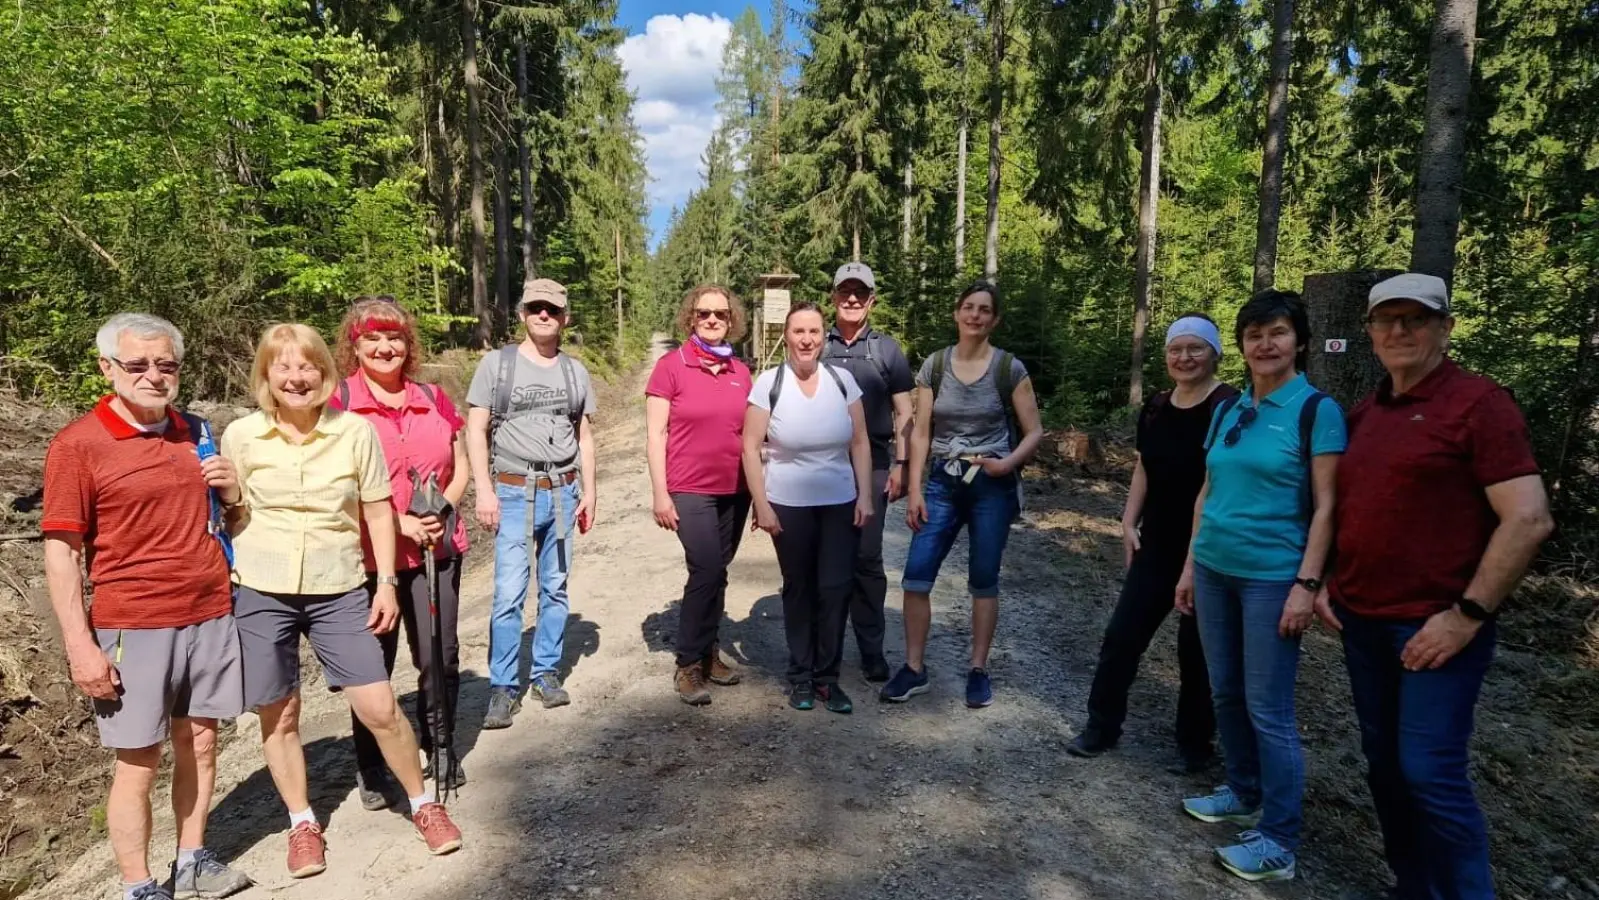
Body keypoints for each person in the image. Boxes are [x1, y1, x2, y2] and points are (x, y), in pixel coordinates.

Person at [1316, 274, 1552, 900]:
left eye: (1415, 319)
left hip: (1434, 627)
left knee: (1430, 772)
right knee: (1387, 768)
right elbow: (1346, 507)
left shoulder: (1479, 404)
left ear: (1445, 328)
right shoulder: (1366, 413)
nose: (1399, 331)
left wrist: (1466, 614)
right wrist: (1325, 581)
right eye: (1386, 320)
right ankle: (1412, 887)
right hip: (1362, 621)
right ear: (1368, 332)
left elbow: (1528, 518)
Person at [222, 324, 462, 878]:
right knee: (279, 715)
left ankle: (424, 804)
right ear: (266, 375)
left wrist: (383, 583)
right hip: (262, 588)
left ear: (324, 372)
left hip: (339, 587)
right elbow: (231, 514)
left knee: (378, 707)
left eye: (307, 366)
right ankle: (302, 822)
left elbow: (378, 511)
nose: (296, 377)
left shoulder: (353, 432)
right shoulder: (241, 436)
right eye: (283, 367)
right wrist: (230, 499)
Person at [42, 314, 254, 900]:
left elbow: (228, 523)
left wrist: (233, 495)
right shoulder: (77, 445)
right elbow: (62, 554)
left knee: (203, 742)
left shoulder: (197, 430)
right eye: (137, 365)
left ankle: (191, 859)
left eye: (166, 364)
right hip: (132, 623)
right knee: (139, 761)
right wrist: (80, 645)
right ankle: (138, 885)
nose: (153, 376)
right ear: (107, 368)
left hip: (210, 611)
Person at [1174, 289, 1345, 882]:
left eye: (1277, 332)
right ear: (1241, 347)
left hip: (1272, 576)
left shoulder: (1316, 410)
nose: (1265, 344)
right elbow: (1208, 492)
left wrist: (1307, 582)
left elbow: (1327, 508)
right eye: (1254, 335)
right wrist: (1192, 565)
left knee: (1269, 709)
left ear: (1298, 341)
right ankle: (1243, 790)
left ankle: (1279, 839)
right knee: (1225, 692)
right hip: (1216, 568)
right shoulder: (1230, 409)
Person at [1068, 314, 1235, 771]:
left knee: (1195, 652)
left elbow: (1224, 479)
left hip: (1208, 547)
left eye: (1195, 349)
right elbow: (1145, 465)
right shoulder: (1157, 407)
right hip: (1157, 544)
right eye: (1175, 349)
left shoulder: (1229, 407)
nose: (1184, 358)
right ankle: (1101, 728)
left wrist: (1197, 555)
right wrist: (1127, 521)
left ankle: (1195, 746)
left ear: (1214, 353)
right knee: (1122, 638)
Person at [328, 297, 470, 808]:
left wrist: (442, 510)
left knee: (439, 655)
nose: (385, 347)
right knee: (372, 666)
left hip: (438, 548)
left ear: (408, 345)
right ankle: (373, 765)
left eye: (395, 339)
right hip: (369, 560)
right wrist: (398, 521)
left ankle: (443, 745)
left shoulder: (432, 396)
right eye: (373, 339)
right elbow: (334, 485)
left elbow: (461, 465)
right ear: (355, 345)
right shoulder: (338, 403)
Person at [881, 281, 1043, 709]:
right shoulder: (935, 366)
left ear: (994, 319)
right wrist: (915, 488)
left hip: (992, 483)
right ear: (957, 314)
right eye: (968, 307)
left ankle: (977, 669)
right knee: (916, 576)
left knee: (983, 580)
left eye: (984, 310)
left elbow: (1034, 431)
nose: (975, 315)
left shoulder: (1009, 368)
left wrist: (1007, 464)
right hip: (942, 484)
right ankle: (915, 668)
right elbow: (921, 431)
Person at [467, 278, 597, 728]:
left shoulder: (574, 371)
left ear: (565, 317)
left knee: (555, 588)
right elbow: (475, 429)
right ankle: (503, 687)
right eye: (536, 308)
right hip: (513, 491)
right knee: (508, 594)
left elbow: (583, 434)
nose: (544, 315)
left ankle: (545, 673)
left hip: (562, 493)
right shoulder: (496, 365)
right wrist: (483, 489)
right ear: (523, 314)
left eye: (553, 309)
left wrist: (590, 490)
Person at [743, 301, 875, 713]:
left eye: (814, 332)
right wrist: (761, 505)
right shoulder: (769, 382)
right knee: (799, 589)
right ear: (787, 335)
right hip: (788, 504)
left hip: (839, 501)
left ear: (823, 337)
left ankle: (827, 679)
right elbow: (749, 446)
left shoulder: (843, 380)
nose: (807, 339)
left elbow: (860, 442)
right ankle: (800, 675)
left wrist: (865, 494)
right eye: (799, 331)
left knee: (835, 589)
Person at [645, 284, 755, 705]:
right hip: (688, 486)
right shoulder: (671, 366)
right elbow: (655, 434)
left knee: (719, 570)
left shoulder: (741, 372)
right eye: (704, 313)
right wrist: (660, 493)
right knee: (706, 567)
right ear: (691, 317)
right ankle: (688, 663)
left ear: (732, 321)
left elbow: (753, 434)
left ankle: (709, 653)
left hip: (736, 489)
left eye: (721, 314)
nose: (712, 320)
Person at [821, 263, 915, 682]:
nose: (853, 299)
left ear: (872, 300)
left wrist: (902, 464)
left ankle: (872, 649)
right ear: (834, 297)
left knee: (867, 558)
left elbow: (905, 411)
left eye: (861, 292)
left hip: (874, 464)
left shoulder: (887, 351)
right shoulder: (815, 346)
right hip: (822, 466)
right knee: (824, 559)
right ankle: (826, 649)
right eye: (846, 292)